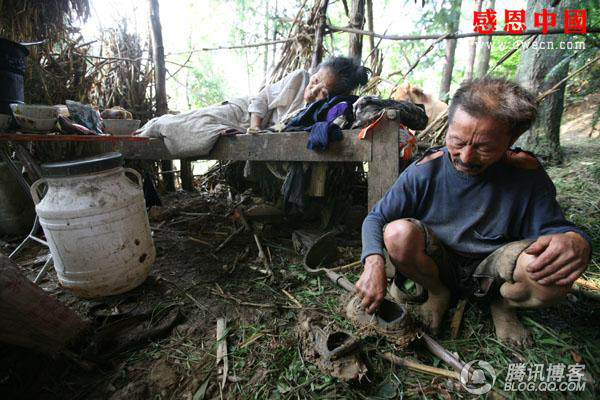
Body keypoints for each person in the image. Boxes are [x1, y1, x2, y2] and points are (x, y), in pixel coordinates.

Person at [355, 78, 592, 346]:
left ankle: (503, 305)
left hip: (495, 270)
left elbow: (555, 228)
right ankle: (437, 294)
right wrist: (373, 262)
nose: (465, 157)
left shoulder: (526, 174)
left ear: (510, 140)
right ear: (448, 128)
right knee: (397, 233)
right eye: (457, 141)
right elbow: (376, 218)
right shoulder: (426, 171)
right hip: (438, 264)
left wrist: (577, 240)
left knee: (553, 276)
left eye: (484, 147)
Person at [138, 57, 370, 158]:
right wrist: (255, 129)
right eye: (316, 80)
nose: (314, 90)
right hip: (246, 112)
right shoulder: (300, 78)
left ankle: (155, 129)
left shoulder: (319, 111)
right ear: (315, 72)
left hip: (251, 128)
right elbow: (260, 99)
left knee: (202, 129)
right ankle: (144, 133)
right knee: (196, 119)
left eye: (324, 92)